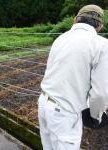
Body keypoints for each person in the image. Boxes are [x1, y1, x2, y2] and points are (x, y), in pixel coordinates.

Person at [38, 4, 108, 150]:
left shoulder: (60, 38)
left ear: (75, 20)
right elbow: (101, 93)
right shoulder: (102, 45)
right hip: (64, 111)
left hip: (44, 103)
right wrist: (95, 116)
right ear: (100, 26)